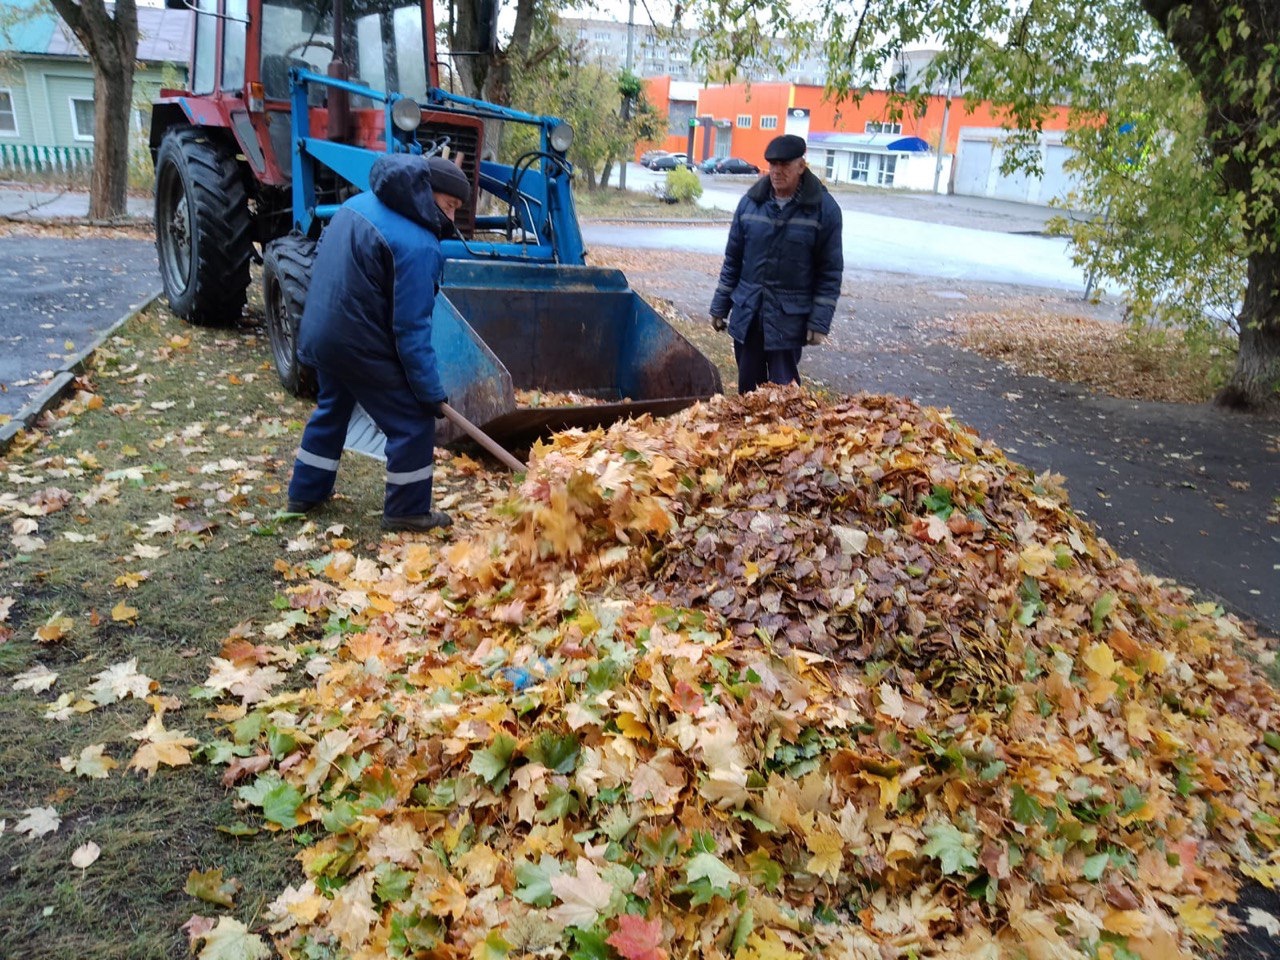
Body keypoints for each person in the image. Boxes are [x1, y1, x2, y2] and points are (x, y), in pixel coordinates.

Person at [286, 152, 471, 533]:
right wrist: (429, 393)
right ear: (426, 191)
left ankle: (305, 493)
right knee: (413, 422)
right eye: (449, 206)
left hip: (322, 328)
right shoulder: (418, 244)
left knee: (333, 408)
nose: (451, 220)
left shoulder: (357, 204)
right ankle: (407, 509)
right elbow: (410, 328)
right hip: (356, 340)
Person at [709, 134, 844, 394]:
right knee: (748, 394)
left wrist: (819, 322)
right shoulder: (750, 204)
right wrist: (719, 307)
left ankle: (783, 436)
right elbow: (733, 261)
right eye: (772, 165)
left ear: (801, 166)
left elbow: (829, 272)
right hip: (748, 314)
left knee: (786, 395)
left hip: (788, 321)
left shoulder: (824, 210)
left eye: (784, 165)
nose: (776, 171)